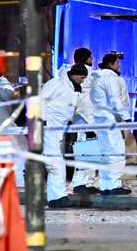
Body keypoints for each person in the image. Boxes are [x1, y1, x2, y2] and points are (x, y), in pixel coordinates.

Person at [42, 63, 88, 208]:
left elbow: (75, 111)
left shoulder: (73, 89)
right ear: (75, 75)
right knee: (55, 163)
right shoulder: (56, 84)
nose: (83, 81)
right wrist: (41, 121)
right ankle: (57, 198)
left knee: (56, 162)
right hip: (48, 127)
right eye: (82, 78)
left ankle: (57, 197)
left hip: (57, 130)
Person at [89, 52, 132, 195]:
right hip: (110, 120)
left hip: (99, 119)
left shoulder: (96, 77)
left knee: (106, 153)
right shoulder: (111, 78)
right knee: (116, 152)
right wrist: (126, 117)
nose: (119, 66)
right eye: (117, 63)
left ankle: (106, 185)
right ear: (110, 64)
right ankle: (113, 185)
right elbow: (115, 99)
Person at [64, 47, 101, 195]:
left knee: (82, 148)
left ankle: (81, 182)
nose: (93, 59)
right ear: (86, 58)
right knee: (89, 149)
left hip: (79, 116)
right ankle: (84, 183)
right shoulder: (90, 73)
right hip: (88, 117)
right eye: (91, 57)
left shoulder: (69, 72)